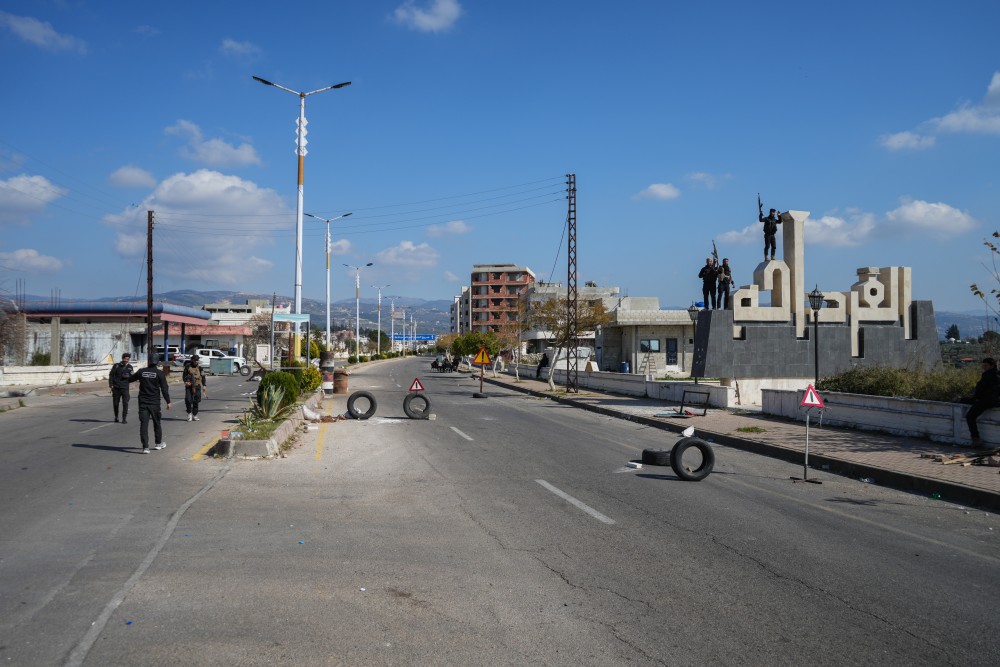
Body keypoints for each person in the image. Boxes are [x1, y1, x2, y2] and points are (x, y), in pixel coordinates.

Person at [128, 359, 172, 454]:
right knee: (157, 423)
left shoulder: (141, 371)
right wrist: (168, 401)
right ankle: (158, 443)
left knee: (144, 424)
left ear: (148, 362)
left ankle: (145, 447)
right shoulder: (160, 373)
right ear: (157, 363)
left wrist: (126, 374)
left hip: (143, 402)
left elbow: (130, 379)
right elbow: (164, 389)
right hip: (155, 403)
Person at [965, 358, 1000, 448]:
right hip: (995, 400)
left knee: (970, 416)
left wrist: (976, 398)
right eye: (983, 366)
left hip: (986, 400)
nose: (984, 368)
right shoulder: (997, 374)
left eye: (986, 366)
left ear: (992, 366)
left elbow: (981, 389)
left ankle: (976, 439)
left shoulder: (988, 375)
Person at [108, 352, 134, 423]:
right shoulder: (116, 366)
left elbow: (132, 377)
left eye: (128, 359)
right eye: (125, 359)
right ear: (122, 359)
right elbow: (111, 375)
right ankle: (116, 417)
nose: (126, 360)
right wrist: (111, 384)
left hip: (125, 388)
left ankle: (124, 418)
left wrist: (128, 376)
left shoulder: (130, 367)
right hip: (116, 388)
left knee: (125, 403)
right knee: (116, 403)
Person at [182, 354, 207, 421]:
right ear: (192, 360)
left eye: (197, 360)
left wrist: (204, 385)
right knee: (188, 400)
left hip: (197, 386)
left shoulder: (200, 368)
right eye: (195, 360)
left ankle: (195, 414)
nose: (196, 361)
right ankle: (189, 413)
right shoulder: (187, 367)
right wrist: (186, 382)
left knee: (196, 400)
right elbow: (184, 376)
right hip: (189, 386)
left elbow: (203, 377)